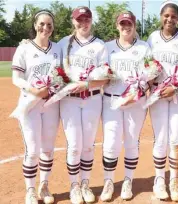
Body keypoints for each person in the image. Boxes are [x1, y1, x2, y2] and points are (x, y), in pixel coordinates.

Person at [58, 6, 109, 204]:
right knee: (73, 146)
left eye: (87, 19)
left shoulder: (100, 45)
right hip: (69, 101)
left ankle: (85, 184)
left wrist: (86, 84)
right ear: (73, 21)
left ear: (91, 20)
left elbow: (105, 77)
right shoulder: (64, 43)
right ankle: (74, 186)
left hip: (93, 99)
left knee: (87, 146)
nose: (83, 23)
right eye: (79, 19)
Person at [147, 1, 178, 201]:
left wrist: (175, 87)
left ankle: (174, 180)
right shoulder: (152, 38)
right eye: (166, 15)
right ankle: (159, 180)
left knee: (175, 138)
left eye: (174, 16)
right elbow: (148, 65)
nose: (169, 19)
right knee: (160, 138)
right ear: (161, 16)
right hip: (158, 94)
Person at [100, 11, 150, 202]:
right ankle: (108, 181)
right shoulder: (107, 47)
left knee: (131, 141)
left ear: (134, 25)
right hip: (111, 100)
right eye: (122, 23)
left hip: (135, 102)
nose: (125, 27)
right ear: (117, 25)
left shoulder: (144, 47)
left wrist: (138, 91)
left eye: (129, 23)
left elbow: (151, 75)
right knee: (111, 143)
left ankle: (128, 180)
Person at [11, 10, 60, 204]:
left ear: (53, 27)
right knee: (32, 150)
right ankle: (30, 190)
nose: (45, 28)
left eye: (49, 24)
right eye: (42, 24)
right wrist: (34, 90)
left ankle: (44, 186)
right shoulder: (24, 48)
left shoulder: (58, 48)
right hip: (30, 103)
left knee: (47, 149)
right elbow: (16, 79)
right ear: (35, 25)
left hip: (50, 105)